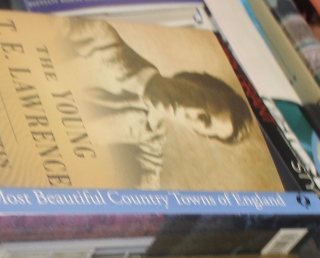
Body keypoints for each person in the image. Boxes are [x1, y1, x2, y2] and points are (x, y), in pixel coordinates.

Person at [65, 18, 254, 188]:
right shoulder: (99, 36)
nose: (188, 107)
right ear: (191, 79)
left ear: (195, 131)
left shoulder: (150, 136)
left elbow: (148, 190)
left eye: (203, 120)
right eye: (200, 97)